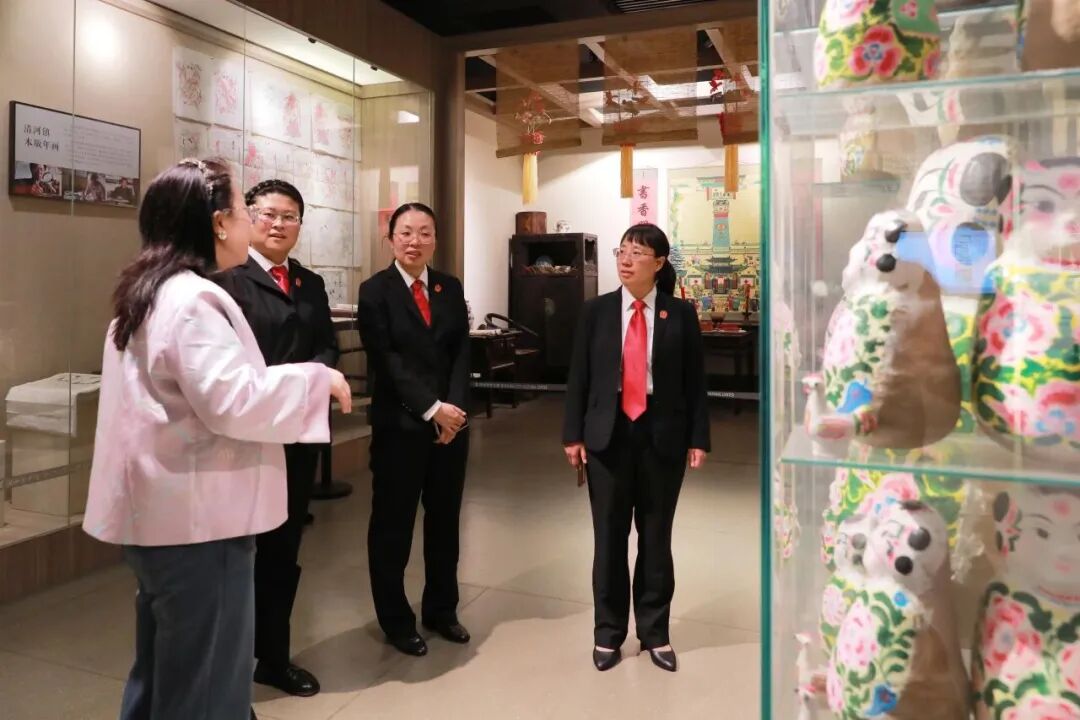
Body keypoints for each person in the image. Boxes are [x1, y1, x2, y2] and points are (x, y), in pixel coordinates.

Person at [82, 158, 352, 720]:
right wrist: (314, 380)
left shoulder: (148, 291)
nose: (255, 222)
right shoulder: (192, 301)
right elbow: (233, 399)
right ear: (219, 223)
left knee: (163, 673)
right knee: (206, 687)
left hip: (164, 516)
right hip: (197, 526)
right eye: (242, 209)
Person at [562, 223, 710, 674]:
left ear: (659, 263)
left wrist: (698, 438)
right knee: (608, 539)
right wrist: (573, 434)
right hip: (607, 437)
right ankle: (607, 633)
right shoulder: (597, 311)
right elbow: (579, 377)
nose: (626, 260)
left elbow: (695, 382)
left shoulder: (679, 314)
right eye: (622, 251)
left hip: (662, 437)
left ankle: (654, 632)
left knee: (656, 538)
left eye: (638, 253)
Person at [216, 179, 338, 698]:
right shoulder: (226, 280)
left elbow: (327, 346)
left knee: (283, 550)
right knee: (237, 554)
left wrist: (309, 386)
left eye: (290, 216)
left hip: (297, 436)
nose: (278, 224)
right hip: (243, 438)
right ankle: (228, 671)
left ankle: (274, 657)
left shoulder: (310, 283)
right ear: (248, 217)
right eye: (267, 214)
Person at [356, 202, 471, 657]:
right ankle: (396, 620)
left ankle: (442, 609)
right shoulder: (374, 291)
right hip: (400, 428)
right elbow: (387, 361)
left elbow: (461, 351)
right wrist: (432, 408)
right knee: (393, 527)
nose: (414, 241)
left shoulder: (448, 286)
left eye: (425, 232)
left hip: (451, 429)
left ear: (435, 239)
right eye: (405, 232)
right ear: (390, 239)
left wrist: (454, 411)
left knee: (444, 524)